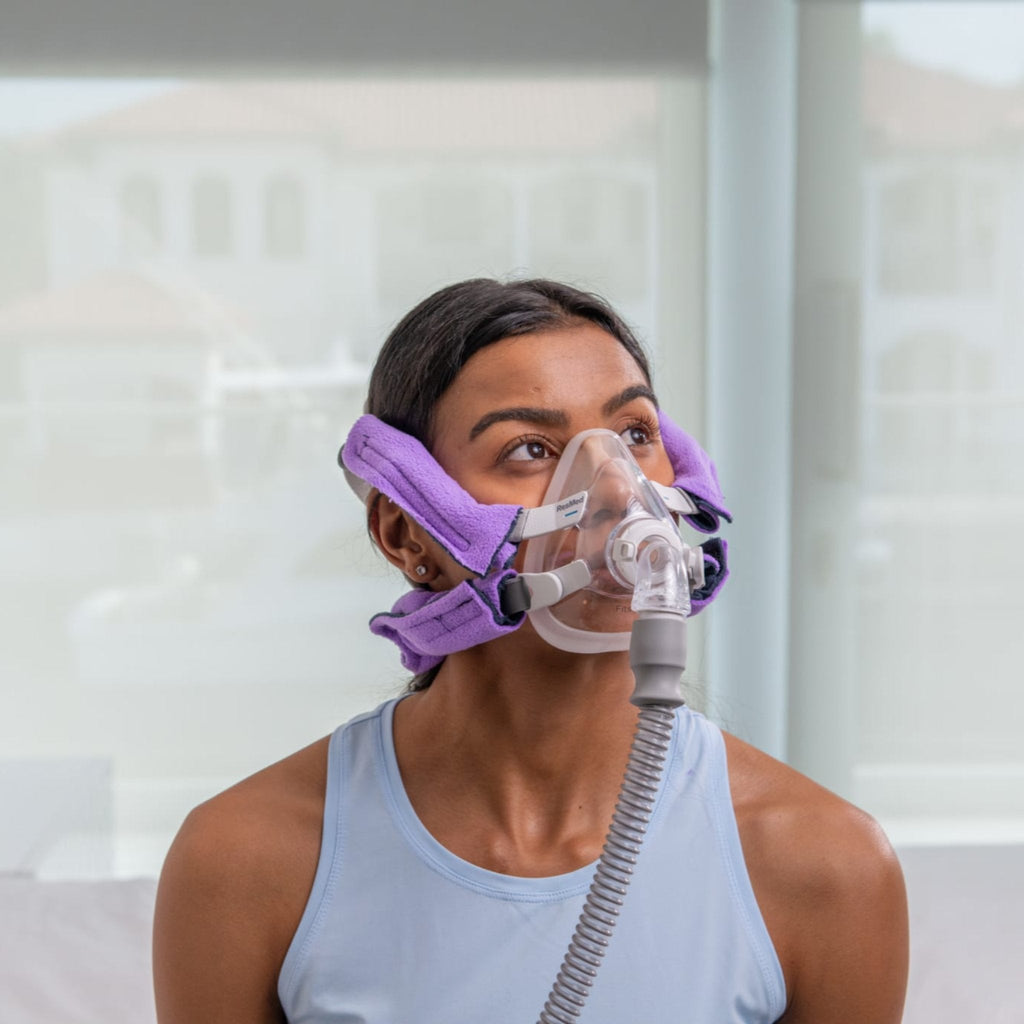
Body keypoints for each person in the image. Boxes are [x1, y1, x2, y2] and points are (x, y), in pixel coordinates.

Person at [153, 278, 909, 1024]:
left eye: (636, 435)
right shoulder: (247, 862)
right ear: (405, 533)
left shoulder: (823, 865)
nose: (616, 493)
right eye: (529, 449)